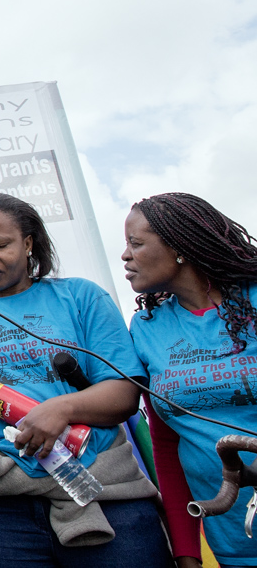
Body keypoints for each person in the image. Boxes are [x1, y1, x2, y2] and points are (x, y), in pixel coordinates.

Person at [0, 193, 165, 567]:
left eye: (0, 244)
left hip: (101, 495)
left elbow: (124, 394)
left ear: (29, 242)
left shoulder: (81, 297)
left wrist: (61, 409)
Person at [124, 192, 257, 568]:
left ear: (179, 246)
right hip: (232, 541)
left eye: (136, 243)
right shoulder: (146, 328)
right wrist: (187, 553)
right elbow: (166, 444)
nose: (125, 255)